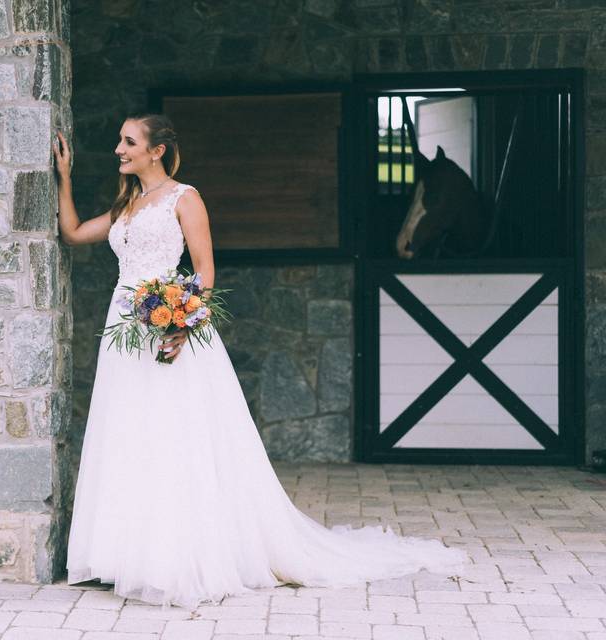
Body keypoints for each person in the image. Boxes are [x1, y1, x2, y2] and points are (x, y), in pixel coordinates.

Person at [53, 114, 467, 609]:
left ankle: (181, 556)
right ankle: (128, 555)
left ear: (156, 150)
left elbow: (204, 271)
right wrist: (65, 178)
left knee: (176, 437)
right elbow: (75, 233)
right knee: (131, 434)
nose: (118, 149)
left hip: (169, 331)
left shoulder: (185, 199)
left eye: (128, 141)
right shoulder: (127, 205)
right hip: (124, 334)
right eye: (120, 141)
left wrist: (180, 325)